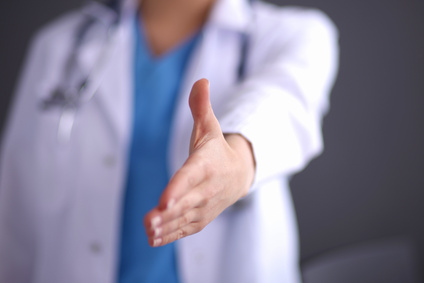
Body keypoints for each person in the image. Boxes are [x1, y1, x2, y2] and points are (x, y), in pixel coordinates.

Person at [0, 0, 338, 282]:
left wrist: (235, 163)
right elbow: (16, 210)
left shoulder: (295, 34)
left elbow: (283, 102)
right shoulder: (59, 46)